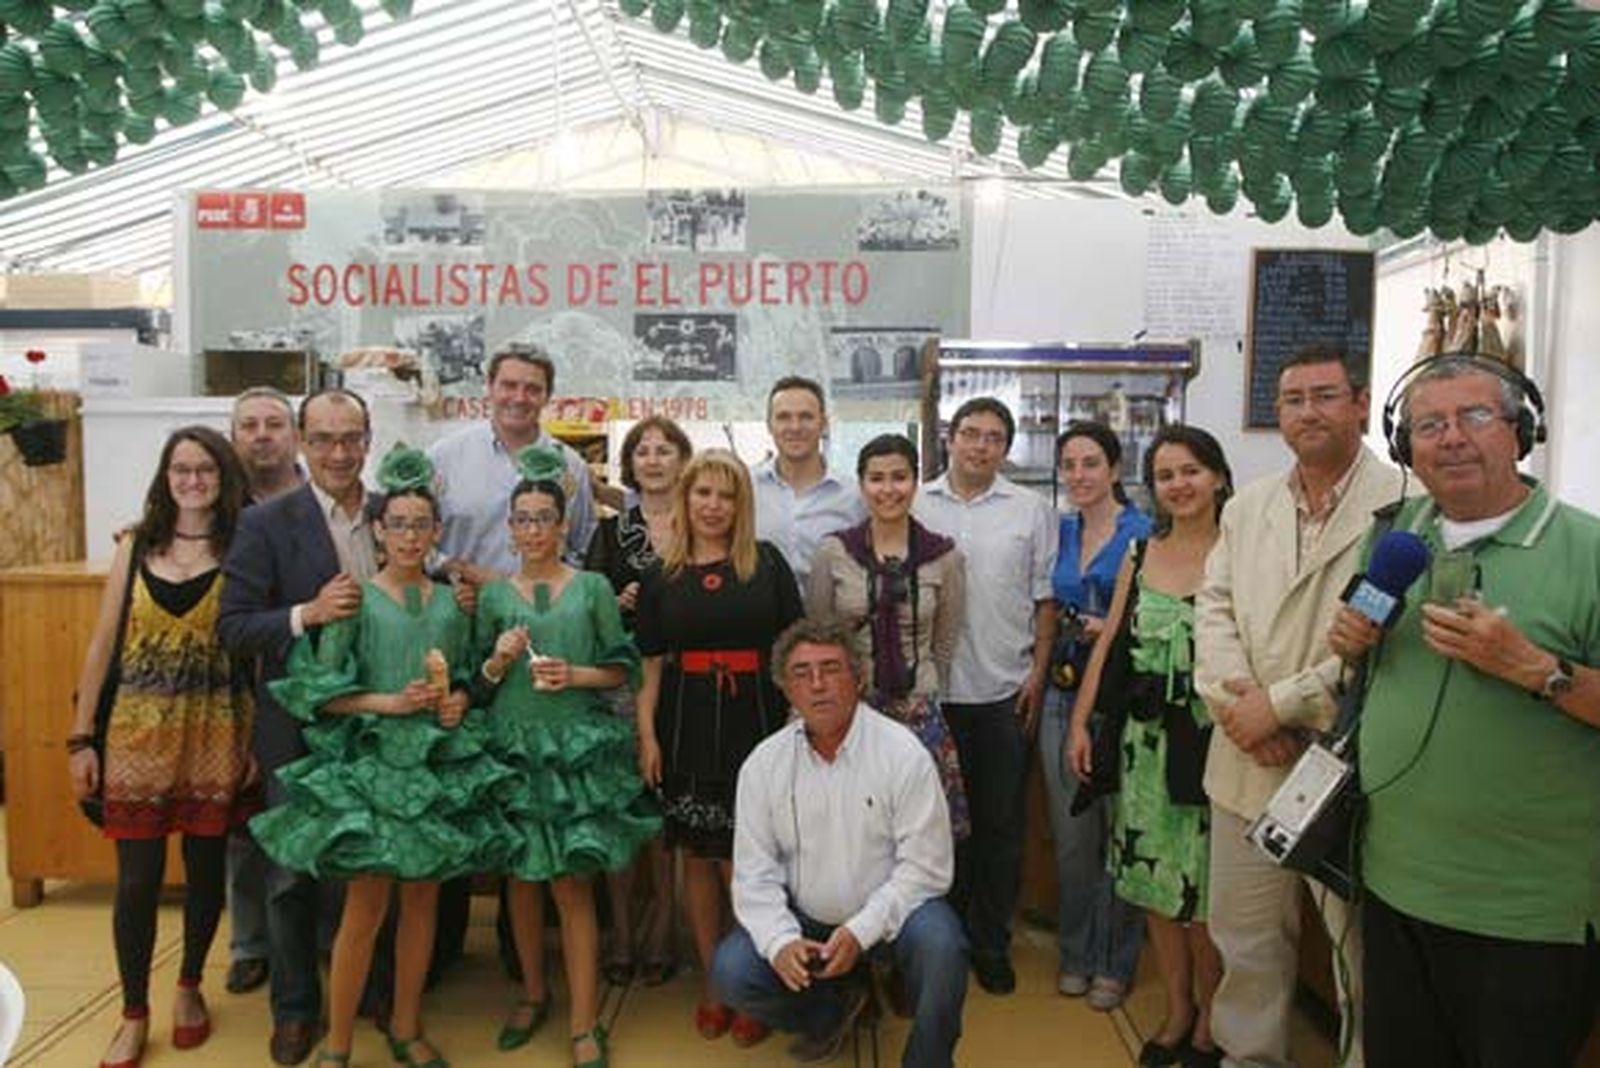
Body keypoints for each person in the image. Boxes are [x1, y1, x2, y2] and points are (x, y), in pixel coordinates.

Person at [1326, 356, 1600, 1066]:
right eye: (1429, 424)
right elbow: (1360, 648)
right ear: (1405, 447)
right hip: (1393, 882)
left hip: (1524, 911)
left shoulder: (1588, 550)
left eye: (1475, 416)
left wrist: (1534, 668)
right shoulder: (1394, 538)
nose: (1451, 438)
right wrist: (1350, 640)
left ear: (1521, 431)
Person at [250, 447, 512, 1068]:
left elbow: (471, 681)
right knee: (365, 909)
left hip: (433, 771)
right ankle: (338, 1041)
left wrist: (456, 706)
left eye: (422, 525)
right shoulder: (354, 600)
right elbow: (319, 695)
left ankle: (406, 1022)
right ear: (378, 530)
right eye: (398, 525)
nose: (410, 536)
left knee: (421, 903)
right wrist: (388, 703)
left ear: (437, 532)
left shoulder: (454, 604)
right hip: (374, 770)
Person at [1194, 346, 1401, 1067]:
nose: (1307, 412)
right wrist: (1244, 711)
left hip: (1344, 768)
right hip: (1246, 763)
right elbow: (1212, 614)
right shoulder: (1249, 507)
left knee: (1360, 958)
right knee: (1246, 945)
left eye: (1323, 396)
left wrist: (1278, 706)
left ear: (1360, 402)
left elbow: (1380, 641)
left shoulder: (1406, 504)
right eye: (1291, 399)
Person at [67, 426, 255, 1068]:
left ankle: (189, 986)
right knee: (138, 880)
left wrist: (258, 738)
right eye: (181, 469)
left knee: (207, 871)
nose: (193, 479)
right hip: (136, 734)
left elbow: (256, 654)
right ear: (165, 476)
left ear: (224, 476)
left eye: (205, 468)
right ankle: (131, 1011)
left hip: (217, 729)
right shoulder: (136, 544)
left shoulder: (243, 545)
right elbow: (102, 646)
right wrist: (80, 738)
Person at [711, 617, 969, 1068]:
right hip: (806, 923)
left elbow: (926, 868)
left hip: (893, 920)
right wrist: (780, 941)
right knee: (732, 972)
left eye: (831, 669)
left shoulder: (902, 753)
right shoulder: (763, 765)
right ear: (784, 689)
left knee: (944, 945)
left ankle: (927, 1060)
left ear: (858, 678)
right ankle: (830, 1013)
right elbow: (754, 876)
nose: (817, 685)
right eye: (801, 674)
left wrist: (861, 930)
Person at [475, 447, 661, 1068]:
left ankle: (584, 1022)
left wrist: (575, 673)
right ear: (510, 527)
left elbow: (620, 665)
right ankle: (531, 993)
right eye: (521, 519)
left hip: (573, 752)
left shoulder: (594, 589)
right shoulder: (497, 597)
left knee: (571, 888)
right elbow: (481, 680)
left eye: (543, 519)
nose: (532, 530)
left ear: (563, 525)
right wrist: (499, 661)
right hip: (510, 749)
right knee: (520, 886)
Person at [218, 389, 383, 1066]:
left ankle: (366, 986)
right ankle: (294, 1008)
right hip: (296, 726)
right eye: (323, 439)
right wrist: (305, 614)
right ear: (303, 445)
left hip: (378, 722)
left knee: (368, 864)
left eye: (351, 438)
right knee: (290, 875)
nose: (339, 453)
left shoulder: (395, 516)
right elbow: (232, 627)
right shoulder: (266, 524)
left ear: (369, 441)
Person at [1071, 426, 1234, 1068]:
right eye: (1166, 475)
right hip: (1144, 745)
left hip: (1213, 743)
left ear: (1218, 476)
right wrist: (1083, 722)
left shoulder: (1241, 551)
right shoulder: (1140, 552)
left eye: (1191, 470)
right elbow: (1110, 641)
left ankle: (1212, 1021)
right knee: (1155, 887)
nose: (1180, 485)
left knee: (1205, 897)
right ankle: (1177, 1009)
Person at [634, 449, 805, 1044]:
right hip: (685, 724)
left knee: (749, 867)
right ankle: (714, 981)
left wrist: (795, 727)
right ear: (685, 500)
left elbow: (794, 654)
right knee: (699, 863)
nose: (713, 506)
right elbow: (651, 668)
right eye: (702, 493)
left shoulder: (768, 565)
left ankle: (752, 982)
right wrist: (648, 735)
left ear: (742, 505)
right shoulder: (661, 577)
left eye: (725, 496)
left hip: (756, 726)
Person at [914, 397, 1056, 995]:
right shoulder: (916, 501)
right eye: (970, 433)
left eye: (994, 437)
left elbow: (1045, 599)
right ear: (950, 437)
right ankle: (936, 946)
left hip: (1003, 693)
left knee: (999, 829)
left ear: (1007, 447)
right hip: (929, 698)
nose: (980, 446)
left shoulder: (1032, 509)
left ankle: (991, 944)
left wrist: (1038, 674)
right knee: (933, 830)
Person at [807, 432, 970, 839]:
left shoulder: (944, 556)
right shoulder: (834, 552)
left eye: (899, 477)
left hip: (918, 709)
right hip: (850, 710)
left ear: (916, 482)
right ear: (861, 485)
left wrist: (924, 687)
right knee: (854, 831)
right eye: (876, 478)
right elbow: (818, 635)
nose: (888, 489)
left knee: (919, 831)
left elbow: (945, 642)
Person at [1041, 421, 1152, 1008]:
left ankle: (1115, 961)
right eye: (1070, 465)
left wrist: (1106, 626)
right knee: (1072, 839)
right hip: (1063, 694)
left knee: (1121, 836)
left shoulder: (1145, 533)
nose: (1079, 475)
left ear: (1114, 469)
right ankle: (1076, 954)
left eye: (1091, 463)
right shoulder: (1059, 532)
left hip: (1122, 702)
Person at [582, 414, 693, 988]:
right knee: (624, 811)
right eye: (643, 451)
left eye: (664, 450)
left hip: (688, 683)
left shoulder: (704, 522)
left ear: (682, 459)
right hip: (623, 687)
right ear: (630, 465)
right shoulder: (611, 533)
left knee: (673, 813)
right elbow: (589, 613)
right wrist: (615, 598)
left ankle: (667, 927)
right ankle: (622, 932)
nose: (653, 460)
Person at [225, 385, 304, 998]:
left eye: (273, 423)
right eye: (248, 425)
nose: (261, 435)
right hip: (232, 683)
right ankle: (250, 944)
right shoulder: (218, 507)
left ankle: (307, 943)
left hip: (302, 689)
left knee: (297, 826)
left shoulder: (326, 500)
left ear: (293, 434)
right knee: (245, 826)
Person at [429, 342, 596, 581]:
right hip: (461, 607)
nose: (519, 398)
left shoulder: (570, 467)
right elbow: (412, 540)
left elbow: (582, 547)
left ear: (547, 397)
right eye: (508, 386)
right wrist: (458, 570)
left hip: (544, 613)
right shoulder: (443, 458)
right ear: (489, 388)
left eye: (533, 389)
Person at [752, 376, 865, 590]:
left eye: (806, 417)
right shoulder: (746, 488)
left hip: (830, 621)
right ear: (769, 425)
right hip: (760, 620)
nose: (795, 427)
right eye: (784, 417)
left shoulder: (854, 496)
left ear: (823, 423)